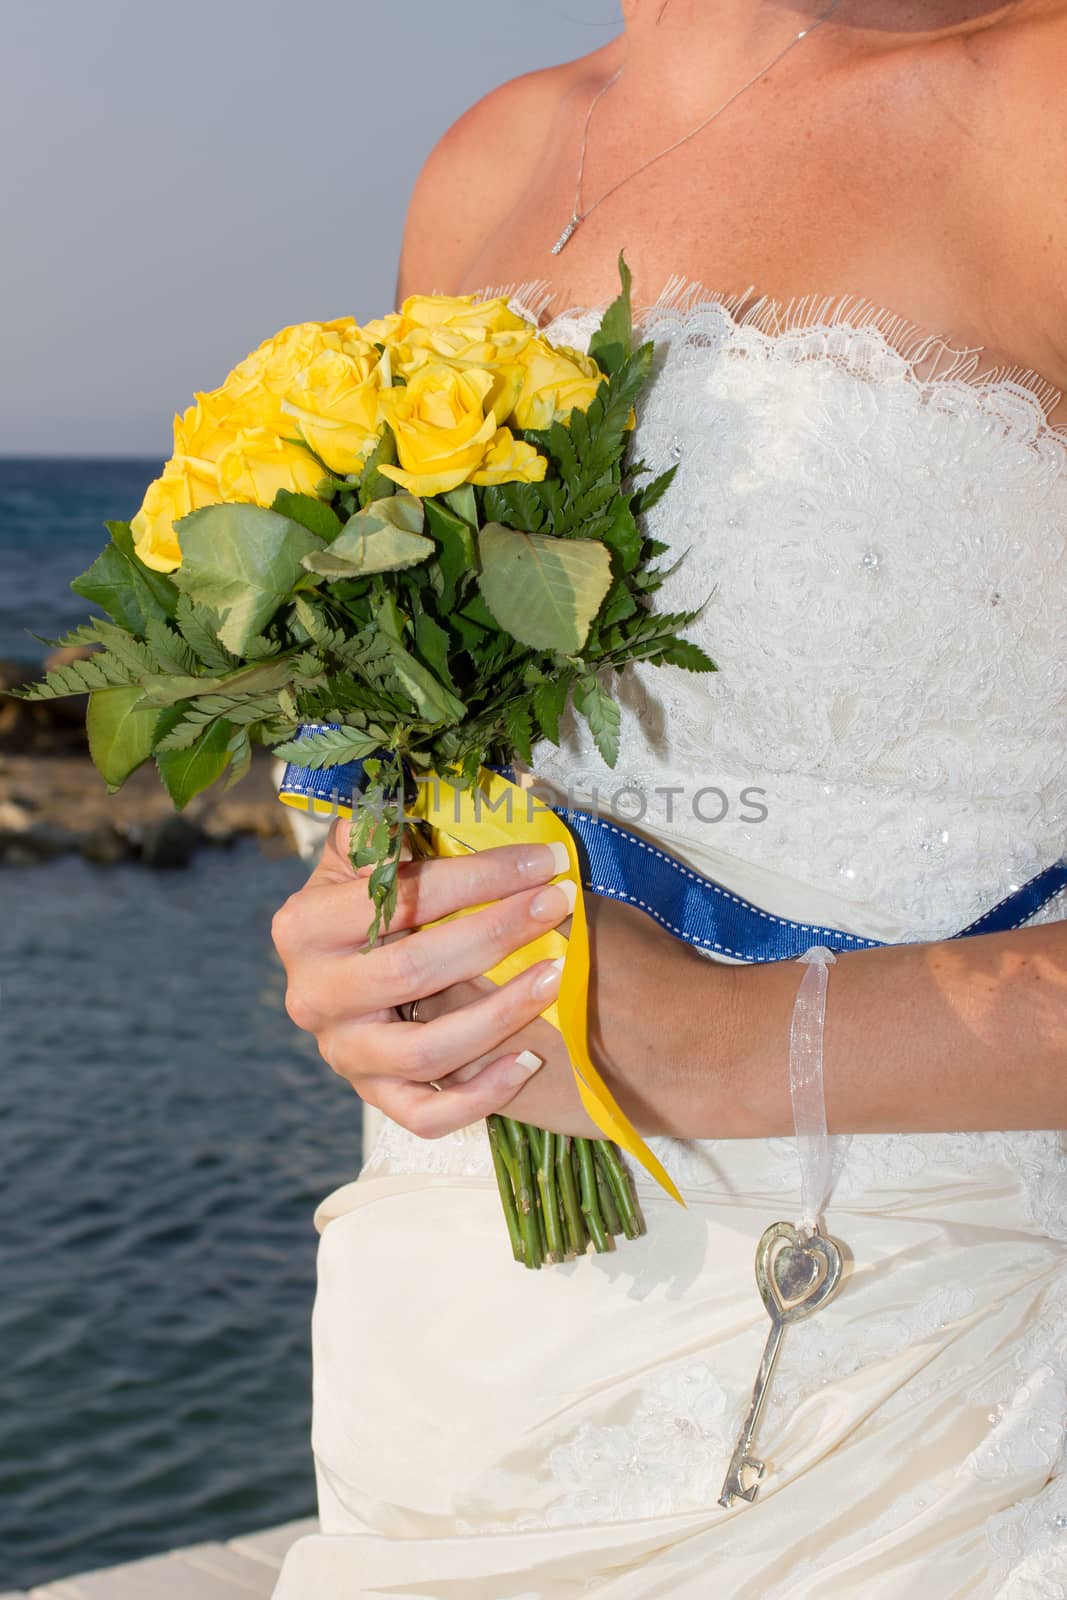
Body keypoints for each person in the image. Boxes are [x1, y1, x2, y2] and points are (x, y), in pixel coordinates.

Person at [271, 1, 1067, 1592]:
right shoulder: (485, 161)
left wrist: (702, 1043)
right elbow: (453, 746)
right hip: (445, 1378)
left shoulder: (1037, 108)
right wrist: (371, 949)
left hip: (918, 1420)